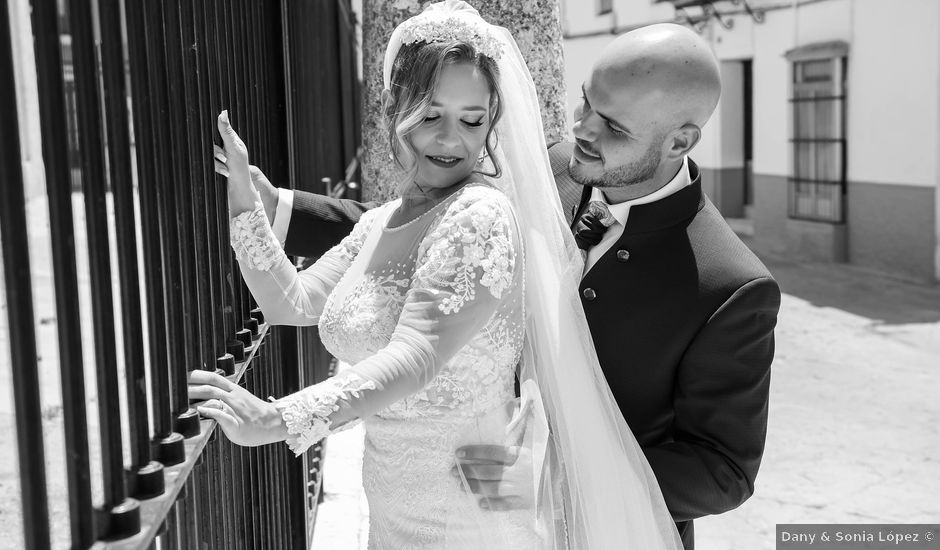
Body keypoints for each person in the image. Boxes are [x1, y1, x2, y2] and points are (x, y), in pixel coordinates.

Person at [242, 20, 781, 550]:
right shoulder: (557, 166)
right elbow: (427, 228)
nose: (584, 130)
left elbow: (724, 468)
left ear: (680, 140)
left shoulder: (731, 284)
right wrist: (281, 207)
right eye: (587, 102)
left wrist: (550, 485)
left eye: (613, 126)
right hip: (452, 502)